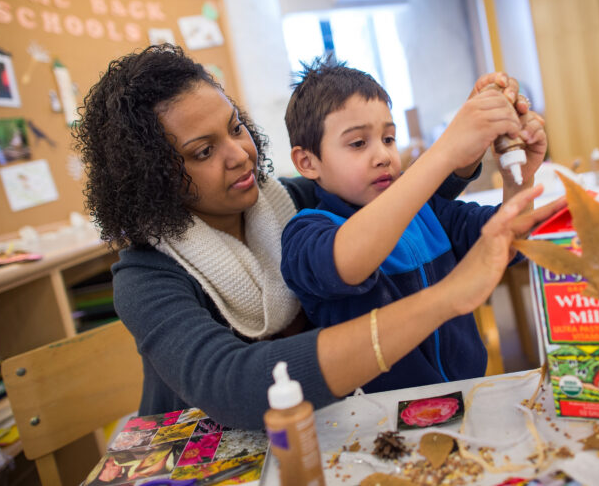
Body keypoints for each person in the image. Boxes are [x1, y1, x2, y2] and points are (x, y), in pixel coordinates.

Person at [74, 44, 560, 430]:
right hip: (205, 453)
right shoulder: (145, 277)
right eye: (203, 152)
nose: (241, 155)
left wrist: (478, 148)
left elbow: (389, 203)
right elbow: (238, 387)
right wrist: (446, 293)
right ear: (151, 176)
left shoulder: (285, 199)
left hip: (327, 430)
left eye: (235, 127)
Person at [281, 58, 548, 393]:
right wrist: (447, 151)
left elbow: (507, 239)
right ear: (308, 162)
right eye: (358, 143)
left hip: (466, 394)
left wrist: (517, 177)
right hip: (379, 422)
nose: (383, 156)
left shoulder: (426, 212)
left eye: (389, 138)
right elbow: (349, 263)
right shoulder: (306, 234)